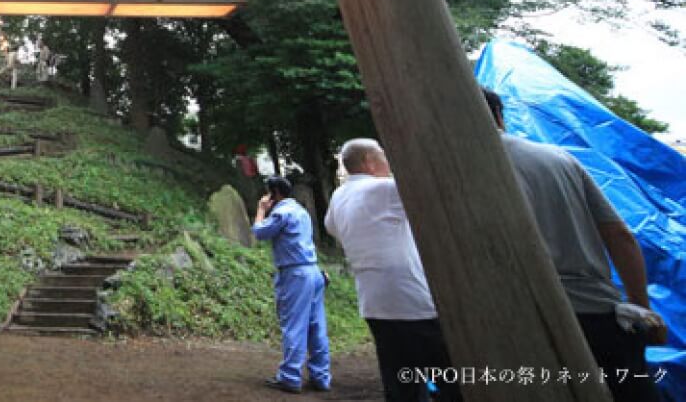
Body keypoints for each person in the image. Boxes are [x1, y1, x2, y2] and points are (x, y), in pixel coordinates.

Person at [484, 87, 665, 402]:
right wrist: (642, 308)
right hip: (596, 314)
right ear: (500, 116)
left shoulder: (445, 172)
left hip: (515, 323)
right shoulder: (557, 158)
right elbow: (620, 236)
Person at [324, 139, 456, 401]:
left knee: (399, 378)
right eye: (384, 156)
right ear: (369, 163)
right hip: (410, 299)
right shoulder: (384, 189)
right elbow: (434, 192)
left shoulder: (339, 196)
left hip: (374, 302)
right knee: (447, 377)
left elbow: (331, 227)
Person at [252, 175, 331, 394]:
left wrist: (260, 210)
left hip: (295, 274)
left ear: (275, 193)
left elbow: (259, 232)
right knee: (316, 327)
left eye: (269, 193)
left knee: (294, 325)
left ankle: (290, 377)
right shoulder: (301, 211)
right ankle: (321, 377)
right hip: (313, 271)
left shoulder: (282, 212)